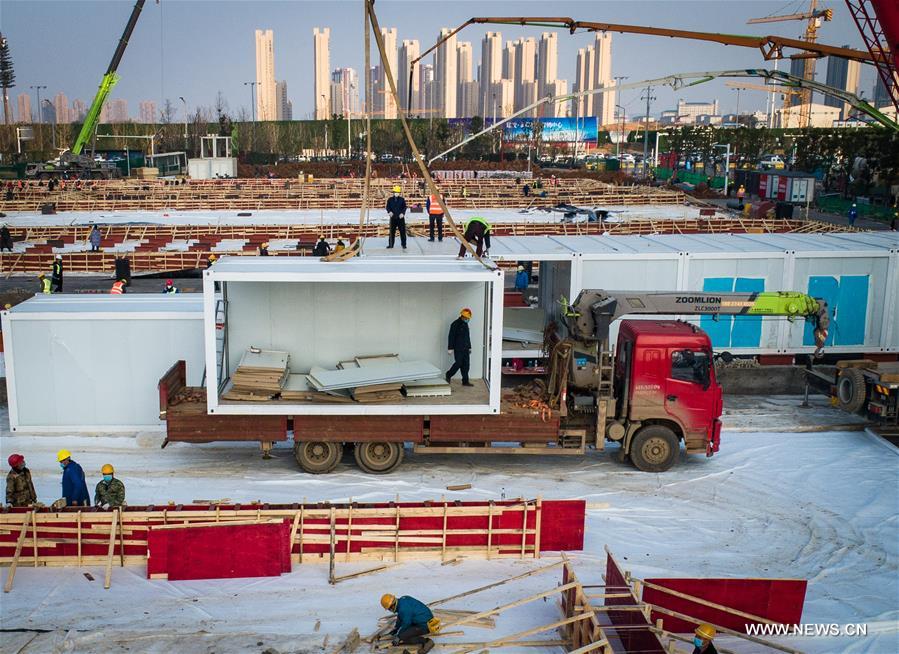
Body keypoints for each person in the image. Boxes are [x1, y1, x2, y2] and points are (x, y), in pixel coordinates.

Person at [446, 308, 473, 387]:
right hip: (458, 348)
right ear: (463, 316)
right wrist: (450, 348)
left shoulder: (465, 324)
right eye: (467, 318)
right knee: (458, 363)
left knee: (466, 365)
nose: (468, 319)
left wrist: (469, 347)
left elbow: (467, 337)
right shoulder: (455, 324)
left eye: (468, 318)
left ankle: (465, 381)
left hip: (465, 348)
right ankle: (448, 374)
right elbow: (451, 336)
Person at [386, 185, 408, 250]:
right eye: (396, 192)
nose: (397, 193)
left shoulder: (402, 199)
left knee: (402, 232)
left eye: (398, 192)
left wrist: (403, 213)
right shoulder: (390, 200)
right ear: (394, 192)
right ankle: (391, 244)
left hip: (400, 218)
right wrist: (389, 212)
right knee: (392, 232)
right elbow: (387, 207)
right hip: (393, 218)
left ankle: (404, 245)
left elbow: (404, 207)